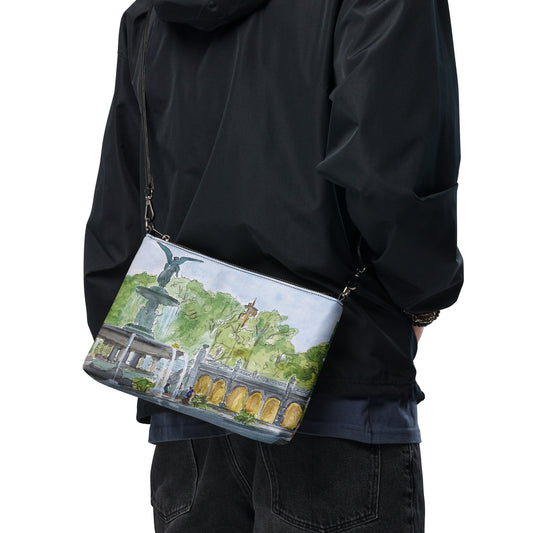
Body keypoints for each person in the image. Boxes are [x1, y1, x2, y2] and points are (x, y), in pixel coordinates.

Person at [84, 0, 463, 531]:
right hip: (344, 384)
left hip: (185, 406)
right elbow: (391, 175)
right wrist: (421, 299)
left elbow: (119, 205)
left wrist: (133, 334)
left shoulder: (151, 13)